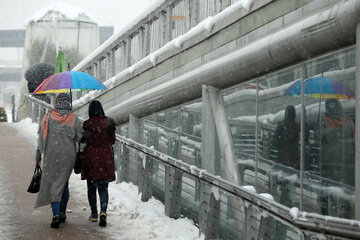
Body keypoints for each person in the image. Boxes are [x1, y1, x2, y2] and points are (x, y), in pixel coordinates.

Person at [35, 93, 83, 228]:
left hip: (51, 155)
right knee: (63, 184)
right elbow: (79, 137)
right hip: (68, 157)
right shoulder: (73, 118)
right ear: (68, 102)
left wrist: (38, 156)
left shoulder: (47, 118)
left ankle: (55, 214)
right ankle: (62, 212)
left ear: (56, 103)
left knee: (53, 185)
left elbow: (40, 139)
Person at [81, 100, 116, 227]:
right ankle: (103, 212)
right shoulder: (109, 122)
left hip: (91, 158)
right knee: (103, 188)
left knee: (91, 188)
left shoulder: (87, 124)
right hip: (105, 158)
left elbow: (84, 139)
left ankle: (94, 214)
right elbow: (112, 141)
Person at [319, 98, 355, 186]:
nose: (332, 107)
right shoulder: (324, 121)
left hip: (346, 159)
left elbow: (354, 137)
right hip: (331, 159)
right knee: (332, 186)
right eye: (330, 104)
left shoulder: (348, 120)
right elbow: (320, 138)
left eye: (333, 104)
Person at [271, 105, 300, 170]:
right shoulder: (295, 126)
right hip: (292, 155)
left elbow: (275, 139)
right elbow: (296, 140)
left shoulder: (282, 124)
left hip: (283, 153)